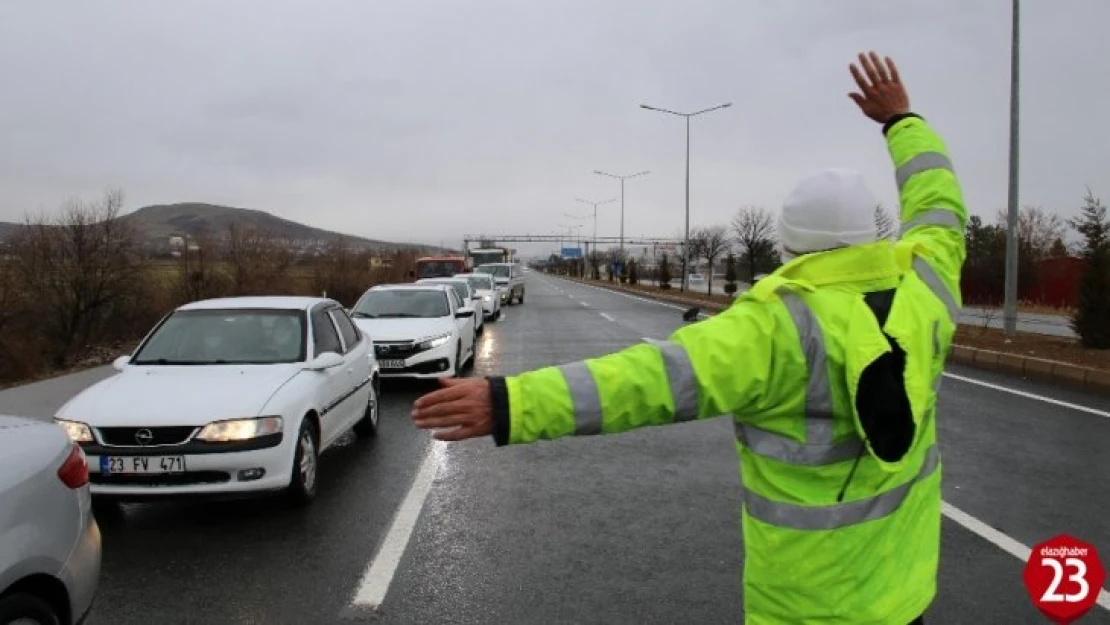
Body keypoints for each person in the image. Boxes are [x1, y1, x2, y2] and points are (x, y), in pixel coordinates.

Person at [411, 51, 966, 625]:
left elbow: (643, 383)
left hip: (807, 607)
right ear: (869, 233)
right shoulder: (928, 286)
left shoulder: (774, 327)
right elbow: (940, 206)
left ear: (790, 247)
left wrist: (509, 403)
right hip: (906, 598)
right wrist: (903, 120)